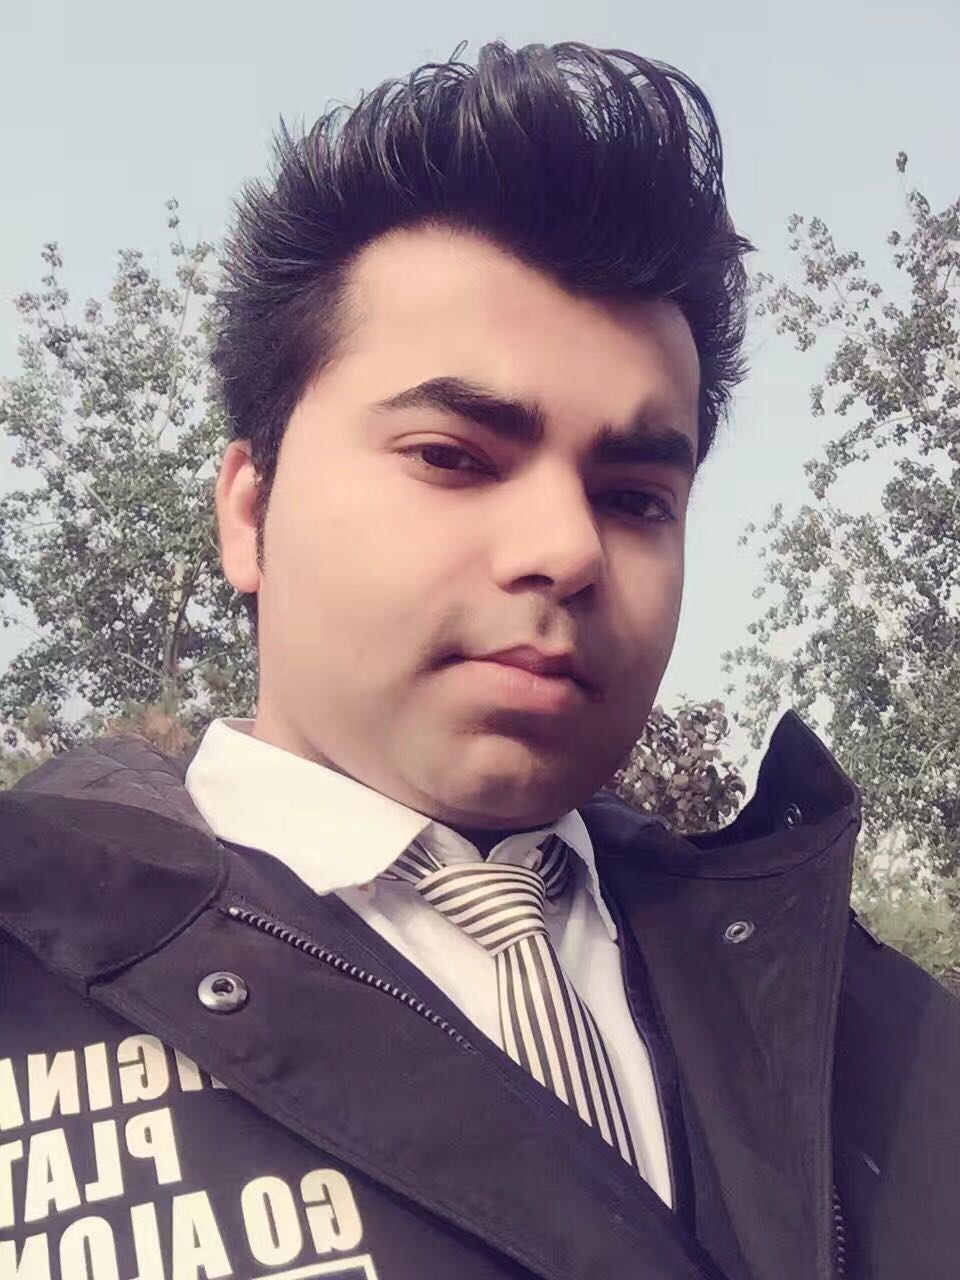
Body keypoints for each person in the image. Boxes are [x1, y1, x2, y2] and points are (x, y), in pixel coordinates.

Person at [1, 38, 957, 1280]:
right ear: (249, 510)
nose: (567, 549)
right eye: (452, 457)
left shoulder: (880, 1040)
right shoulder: (34, 982)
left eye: (636, 496)